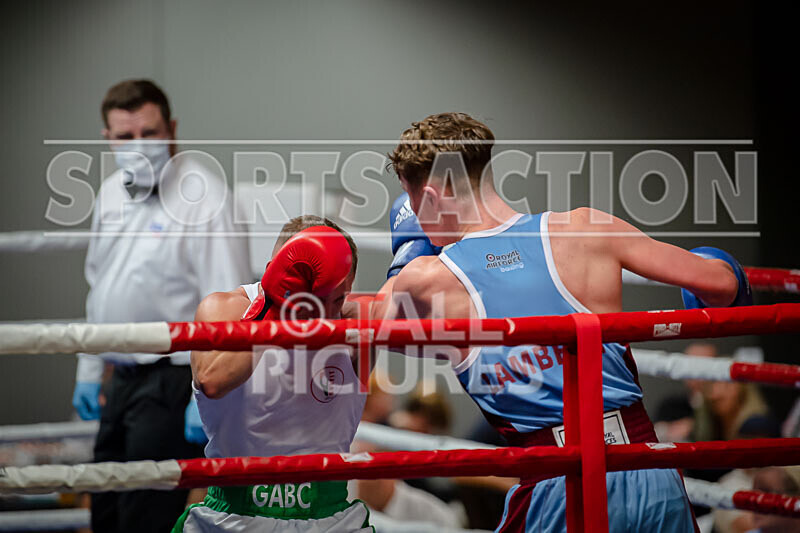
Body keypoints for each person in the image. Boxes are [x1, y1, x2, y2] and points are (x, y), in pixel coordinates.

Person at [372, 112, 753, 532]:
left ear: (429, 196)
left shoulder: (430, 278)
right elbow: (722, 285)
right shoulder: (585, 229)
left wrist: (406, 255)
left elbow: (373, 325)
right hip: (648, 468)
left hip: (558, 484)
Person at [72, 79, 251, 532]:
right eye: (126, 137)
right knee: (106, 511)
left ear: (171, 128)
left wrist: (207, 398)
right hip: (121, 380)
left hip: (171, 380)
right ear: (107, 139)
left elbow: (228, 301)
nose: (139, 146)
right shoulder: (110, 193)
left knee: (144, 518)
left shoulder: (205, 196)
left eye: (149, 133)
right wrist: (89, 373)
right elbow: (100, 286)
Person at [173, 216, 373, 532]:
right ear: (274, 273)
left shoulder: (357, 322)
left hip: (330, 516)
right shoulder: (224, 308)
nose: (327, 313)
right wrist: (278, 313)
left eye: (338, 297)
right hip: (235, 515)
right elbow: (211, 380)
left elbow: (428, 319)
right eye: (315, 297)